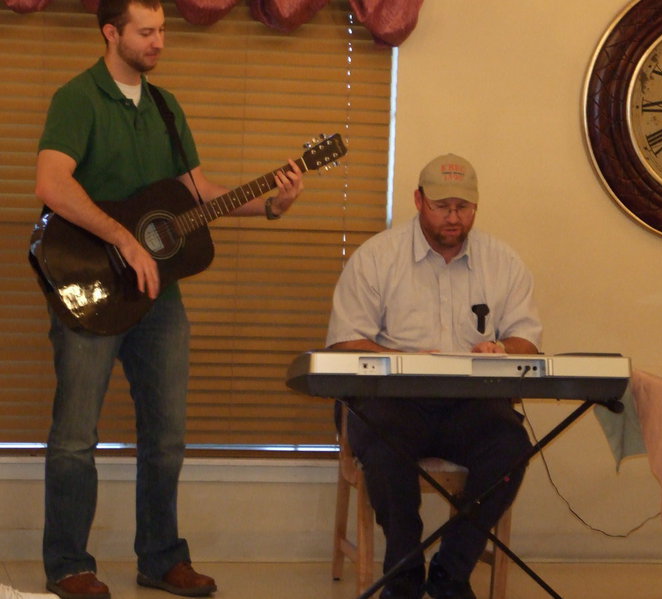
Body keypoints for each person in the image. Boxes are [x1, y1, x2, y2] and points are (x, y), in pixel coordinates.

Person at [33, 0, 304, 597]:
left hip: (159, 297)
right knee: (76, 436)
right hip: (92, 288)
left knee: (168, 434)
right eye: (146, 32)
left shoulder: (166, 105)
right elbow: (52, 184)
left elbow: (197, 189)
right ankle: (69, 566)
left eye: (161, 31)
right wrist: (123, 238)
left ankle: (161, 558)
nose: (160, 42)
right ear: (112, 33)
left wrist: (270, 203)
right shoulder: (78, 98)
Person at [325, 153, 542, 599]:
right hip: (394, 402)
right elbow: (345, 344)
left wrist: (499, 350)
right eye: (442, 206)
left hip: (470, 404)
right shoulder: (377, 257)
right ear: (418, 200)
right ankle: (404, 574)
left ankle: (451, 572)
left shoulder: (502, 262)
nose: (453, 217)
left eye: (463, 207)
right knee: (383, 446)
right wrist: (401, 359)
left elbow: (528, 342)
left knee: (510, 445)